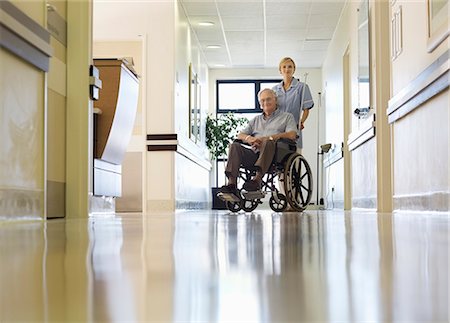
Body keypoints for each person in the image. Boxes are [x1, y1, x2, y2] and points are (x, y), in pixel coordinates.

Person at [219, 88, 297, 196]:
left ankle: (257, 180)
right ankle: (232, 184)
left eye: (268, 99)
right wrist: (250, 139)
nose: (265, 102)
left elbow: (292, 135)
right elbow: (240, 135)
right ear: (260, 104)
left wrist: (269, 138)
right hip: (254, 154)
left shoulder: (287, 117)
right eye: (262, 100)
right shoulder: (256, 120)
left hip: (274, 156)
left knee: (268, 143)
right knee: (234, 146)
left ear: (275, 100)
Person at [272, 57, 314, 153]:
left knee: (294, 157)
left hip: (293, 128)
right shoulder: (274, 90)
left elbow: (306, 110)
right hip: (278, 128)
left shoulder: (302, 87)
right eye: (284, 67)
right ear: (280, 70)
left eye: (290, 67)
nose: (287, 69)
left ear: (294, 69)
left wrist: (301, 122)